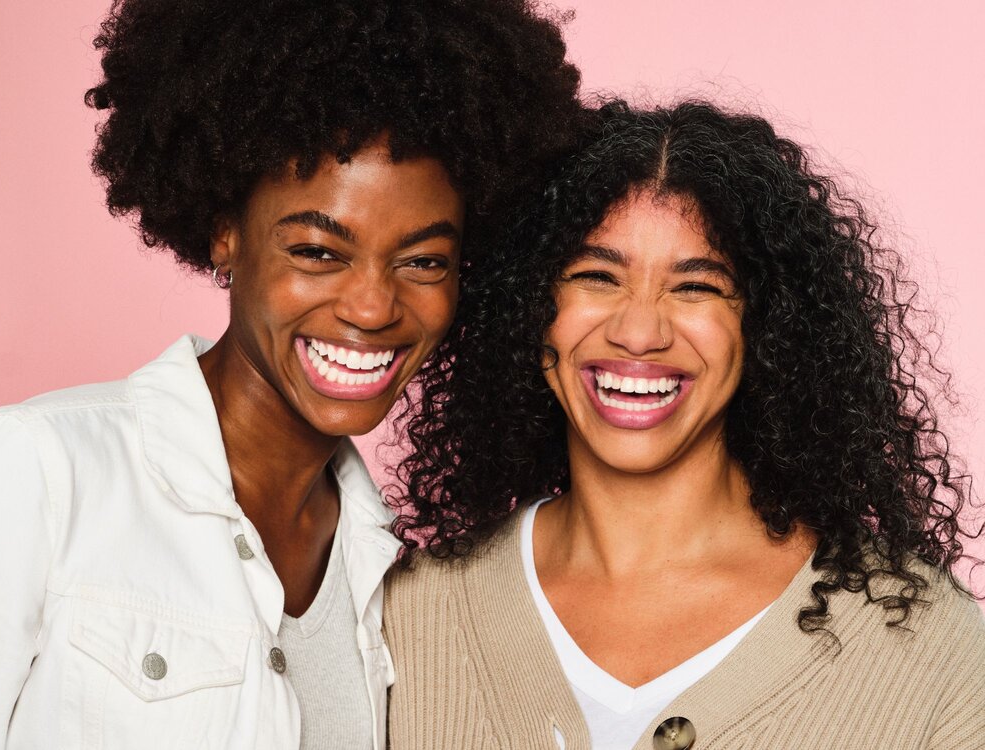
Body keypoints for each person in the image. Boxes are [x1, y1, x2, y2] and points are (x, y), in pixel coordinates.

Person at [0, 1, 585, 748]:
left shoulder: (390, 568)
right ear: (225, 234)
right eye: (317, 252)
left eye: (424, 261)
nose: (372, 307)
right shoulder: (37, 474)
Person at [384, 101, 985, 749]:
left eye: (696, 287)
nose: (639, 332)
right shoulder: (405, 617)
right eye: (596, 277)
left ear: (766, 328)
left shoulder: (927, 650)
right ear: (531, 309)